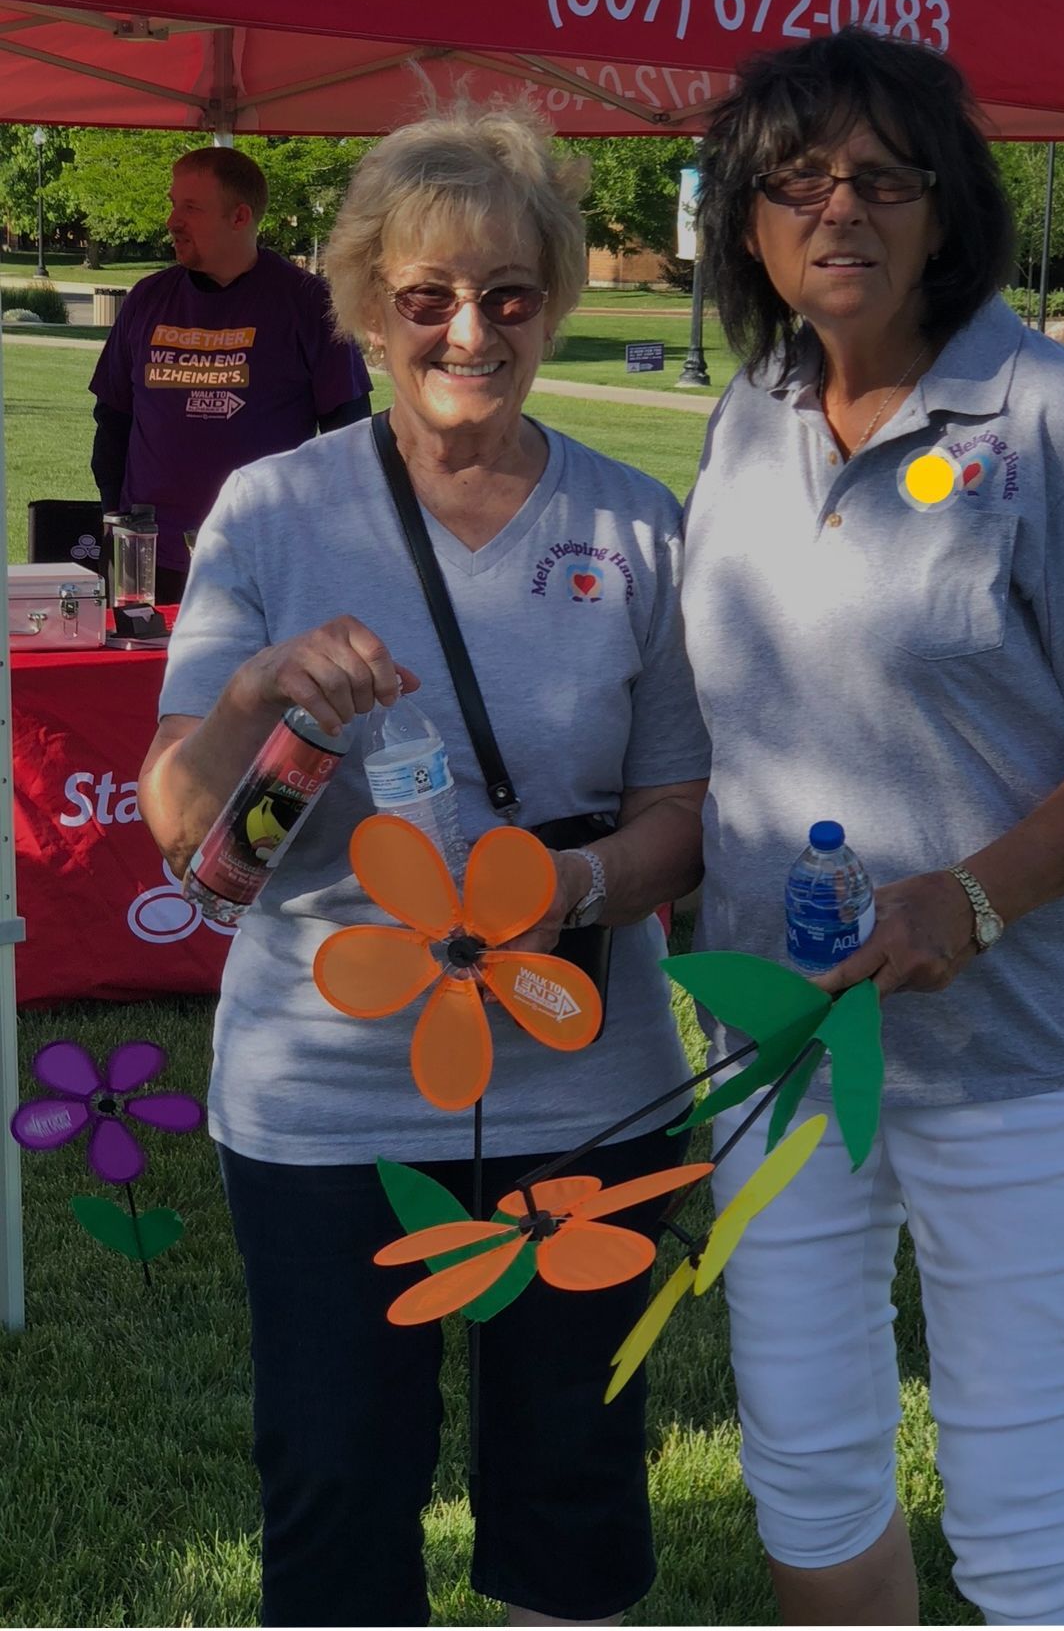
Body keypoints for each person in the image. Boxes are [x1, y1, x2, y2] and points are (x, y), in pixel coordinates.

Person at [137, 105, 710, 1628]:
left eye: (509, 295)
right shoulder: (273, 511)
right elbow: (172, 813)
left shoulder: (635, 526)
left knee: (576, 1479)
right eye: (428, 298)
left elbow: (683, 812)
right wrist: (259, 689)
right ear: (368, 307)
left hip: (591, 1086)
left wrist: (570, 891)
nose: (471, 329)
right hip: (327, 1095)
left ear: (555, 302)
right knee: (336, 1481)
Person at [681, 28, 1064, 1627]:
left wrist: (969, 901)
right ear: (748, 218)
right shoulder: (746, 412)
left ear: (940, 206)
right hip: (779, 1049)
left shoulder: (1047, 416)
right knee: (810, 1469)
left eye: (879, 175)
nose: (836, 208)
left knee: (1022, 1508)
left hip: (1009, 1058)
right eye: (794, 178)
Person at [90, 146, 373, 601]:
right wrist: (113, 517)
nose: (172, 221)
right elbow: (112, 421)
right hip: (149, 556)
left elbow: (349, 436)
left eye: (191, 208)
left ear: (240, 217)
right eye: (173, 204)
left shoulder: (309, 304)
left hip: (269, 555)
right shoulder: (147, 299)